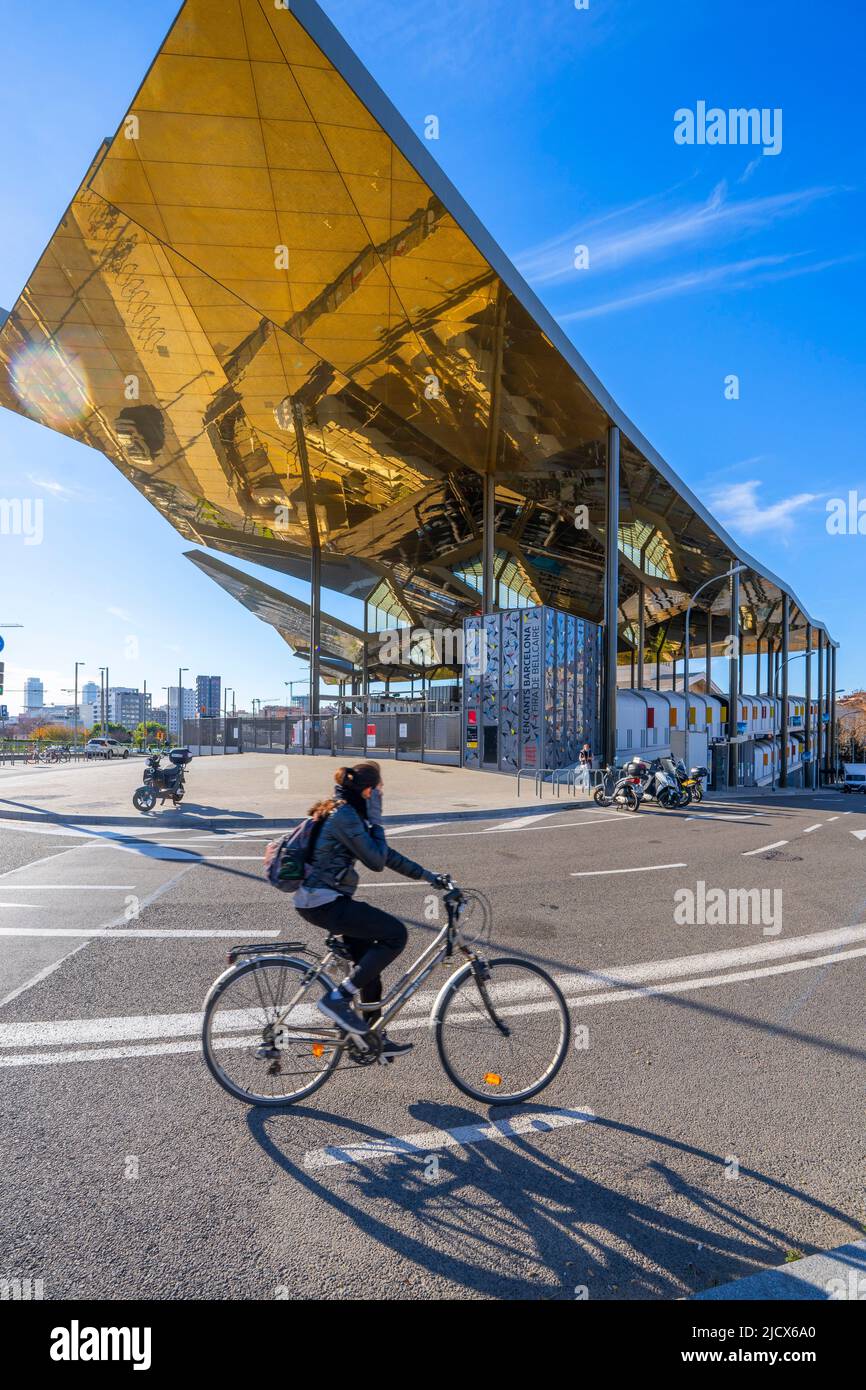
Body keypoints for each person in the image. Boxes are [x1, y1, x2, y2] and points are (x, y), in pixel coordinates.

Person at [293, 762, 448, 1058]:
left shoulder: (347, 811)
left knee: (369, 965)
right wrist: (377, 819)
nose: (381, 794)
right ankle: (337, 999)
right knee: (395, 935)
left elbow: (385, 855)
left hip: (325, 899)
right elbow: (376, 861)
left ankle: (370, 1038)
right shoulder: (346, 816)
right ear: (367, 790)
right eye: (379, 789)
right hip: (322, 902)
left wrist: (429, 876)